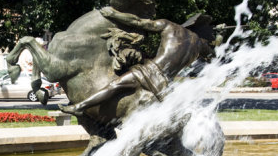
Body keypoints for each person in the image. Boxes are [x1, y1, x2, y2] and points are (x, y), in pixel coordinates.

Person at [61, 7, 214, 115]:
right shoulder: (199, 46)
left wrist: (114, 14)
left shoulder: (170, 26)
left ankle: (80, 106)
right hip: (164, 84)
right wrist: (217, 35)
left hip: (150, 71)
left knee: (115, 85)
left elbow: (138, 22)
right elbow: (213, 52)